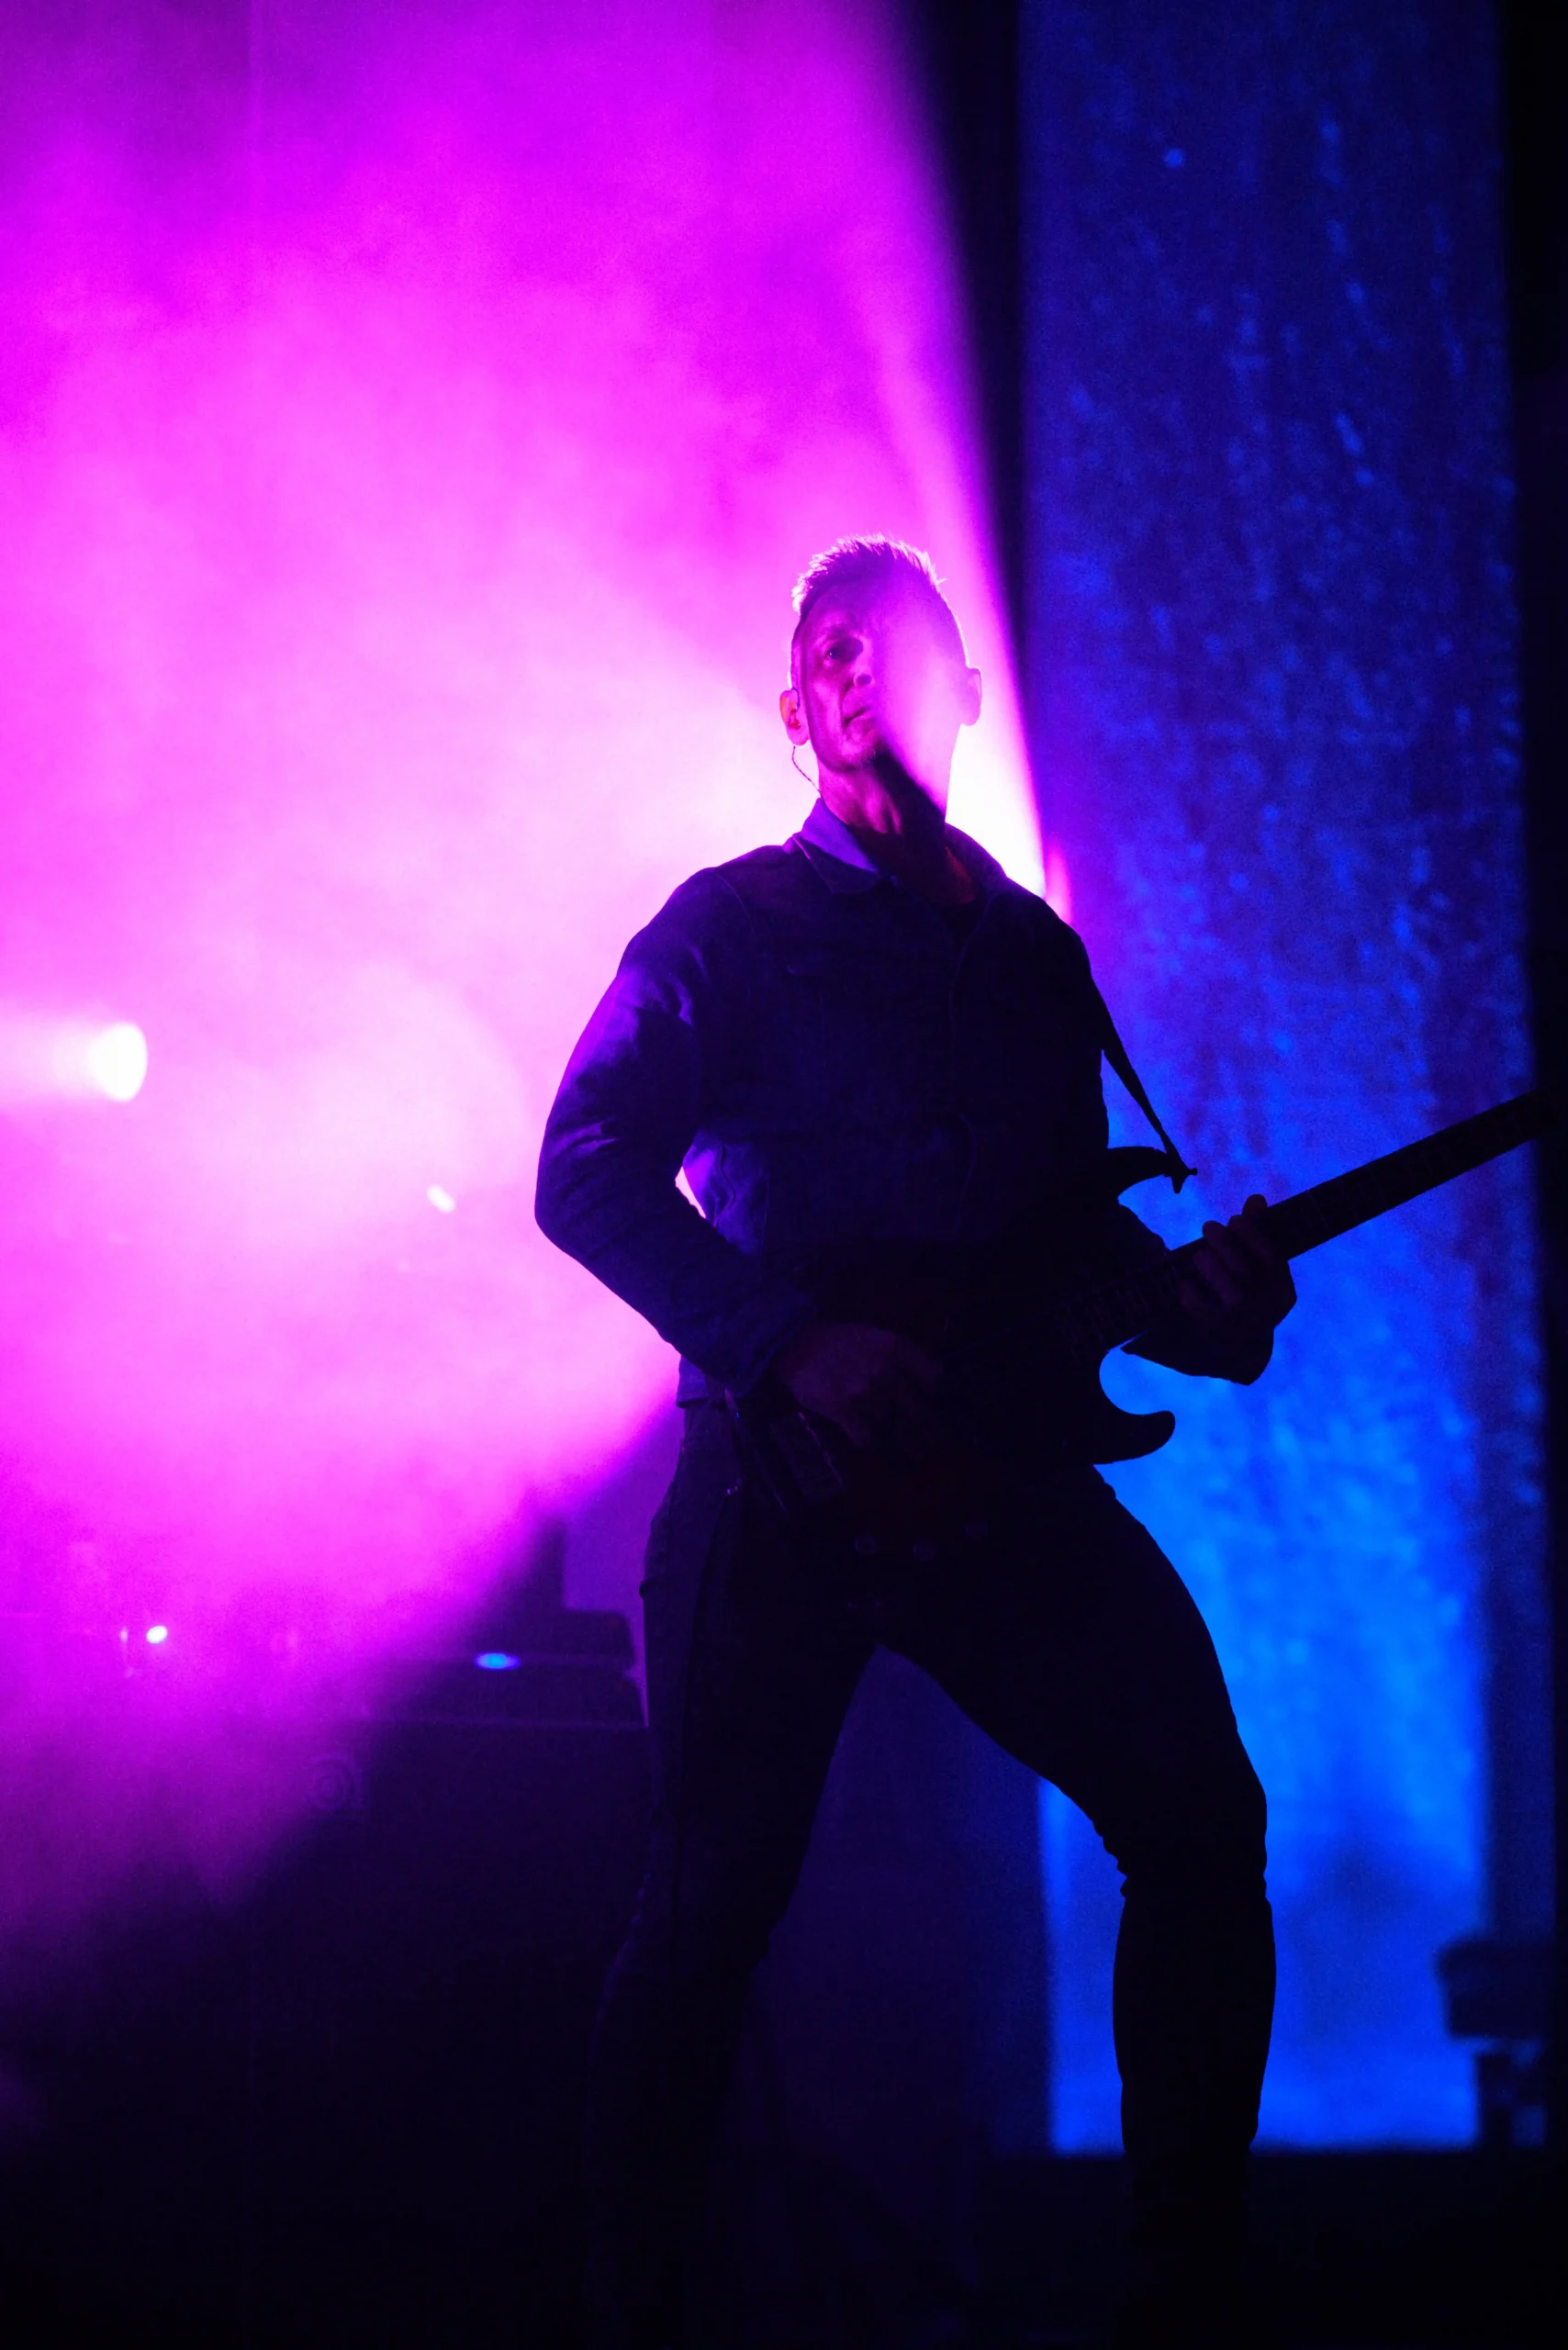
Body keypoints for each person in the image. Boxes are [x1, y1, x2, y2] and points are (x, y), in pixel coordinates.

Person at [535, 536, 1296, 2347]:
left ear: (955, 693)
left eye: (912, 648)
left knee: (1200, 1818)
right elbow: (581, 1170)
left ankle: (1182, 2296)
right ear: (804, 693)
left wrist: (1206, 1312)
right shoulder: (723, 930)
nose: (880, 673)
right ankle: (624, 2314)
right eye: (847, 649)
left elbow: (1073, 1253)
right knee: (710, 1903)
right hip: (772, 1490)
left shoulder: (1030, 954)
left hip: (997, 1483)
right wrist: (788, 1341)